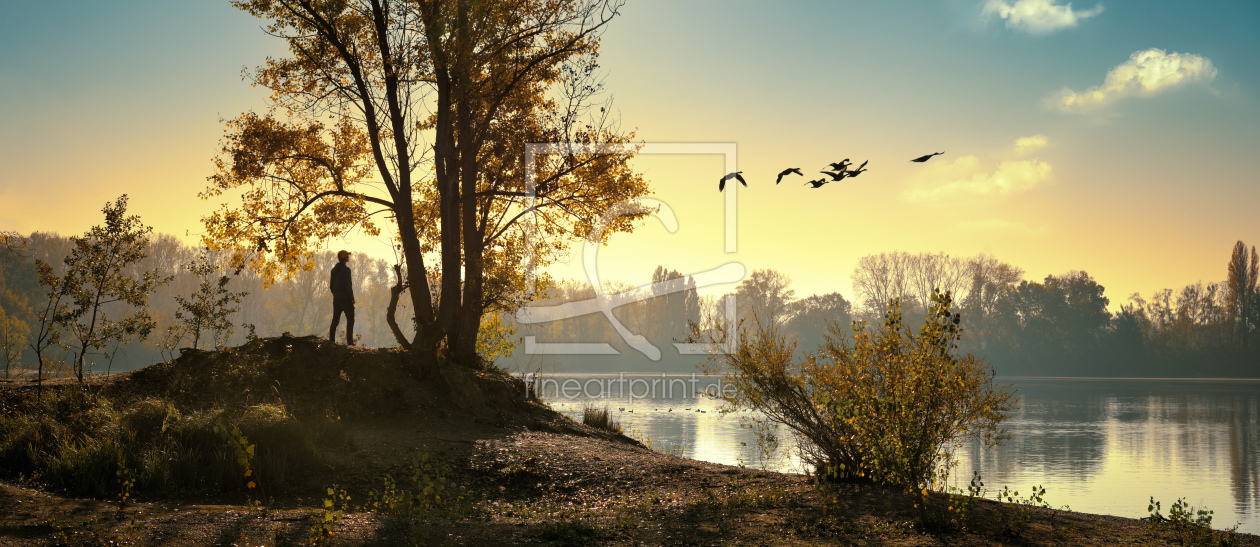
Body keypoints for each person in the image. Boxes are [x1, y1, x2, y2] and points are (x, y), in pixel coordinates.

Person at [329, 250, 355, 345]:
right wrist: (351, 298)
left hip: (336, 298)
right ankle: (350, 343)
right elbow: (348, 286)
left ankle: (331, 341)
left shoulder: (333, 270)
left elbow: (331, 286)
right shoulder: (346, 270)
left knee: (335, 320)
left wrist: (336, 294)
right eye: (348, 256)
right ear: (345, 258)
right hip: (345, 298)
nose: (349, 257)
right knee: (350, 319)